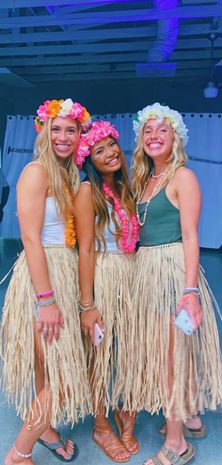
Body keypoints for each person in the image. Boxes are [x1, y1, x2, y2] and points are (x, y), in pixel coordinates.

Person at [124, 102, 222, 465]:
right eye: (147, 131)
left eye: (162, 130)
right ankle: (192, 416)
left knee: (172, 359)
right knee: (172, 350)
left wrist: (190, 291)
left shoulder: (183, 177)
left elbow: (189, 235)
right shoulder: (145, 179)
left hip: (171, 270)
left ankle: (177, 444)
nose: (154, 136)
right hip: (147, 272)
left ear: (176, 138)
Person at [0, 98, 92, 465]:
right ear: (44, 130)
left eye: (71, 129)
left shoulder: (69, 175)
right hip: (44, 279)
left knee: (46, 365)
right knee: (66, 375)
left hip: (62, 272)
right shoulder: (36, 171)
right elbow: (30, 238)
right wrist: (46, 300)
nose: (63, 136)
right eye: (56, 128)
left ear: (80, 135)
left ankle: (47, 429)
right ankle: (18, 454)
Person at [74, 121, 140, 463]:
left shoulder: (128, 189)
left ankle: (126, 412)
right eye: (99, 151)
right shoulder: (88, 191)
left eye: (112, 145)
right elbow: (85, 249)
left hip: (131, 278)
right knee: (99, 356)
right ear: (89, 160)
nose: (110, 153)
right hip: (102, 277)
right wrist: (88, 304)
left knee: (131, 350)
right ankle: (101, 425)